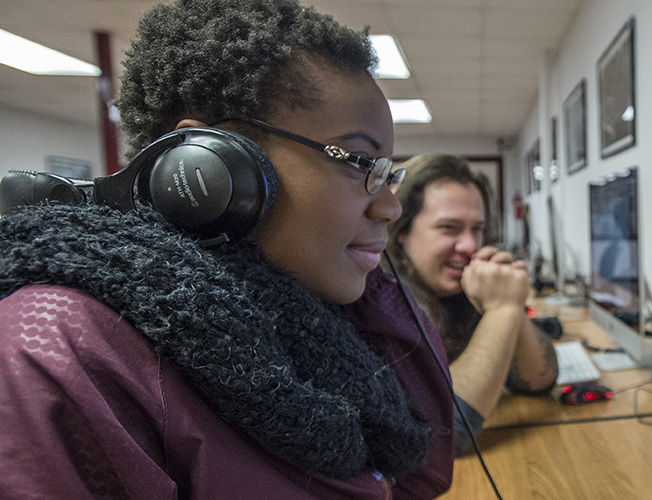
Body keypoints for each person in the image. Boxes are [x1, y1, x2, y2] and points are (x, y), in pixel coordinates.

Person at [0, 0, 454, 498]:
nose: (390, 207)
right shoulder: (60, 348)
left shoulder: (326, 313)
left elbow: (420, 479)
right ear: (206, 161)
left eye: (387, 172)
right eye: (359, 161)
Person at [384, 154, 559, 455]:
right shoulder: (382, 303)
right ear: (402, 232)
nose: (469, 246)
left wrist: (510, 305)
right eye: (449, 228)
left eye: (476, 229)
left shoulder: (463, 287)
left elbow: (537, 381)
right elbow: (442, 435)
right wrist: (502, 309)